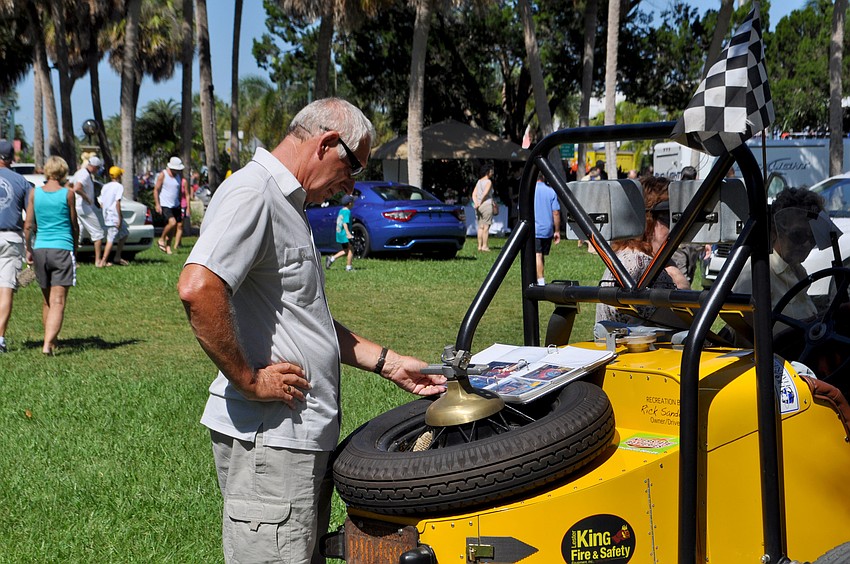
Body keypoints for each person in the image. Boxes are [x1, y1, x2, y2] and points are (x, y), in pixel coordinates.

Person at [176, 98, 446, 564]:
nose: (351, 187)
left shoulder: (287, 202)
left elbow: (303, 318)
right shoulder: (253, 193)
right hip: (271, 441)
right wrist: (249, 379)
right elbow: (198, 287)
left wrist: (389, 363)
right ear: (326, 144)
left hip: (295, 439)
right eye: (354, 169)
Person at [727, 187, 825, 345]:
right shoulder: (756, 273)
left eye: (812, 237)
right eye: (798, 235)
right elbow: (747, 338)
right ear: (774, 232)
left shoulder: (798, 273)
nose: (807, 244)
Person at [596, 175, 689, 324]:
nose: (675, 227)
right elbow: (686, 325)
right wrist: (678, 279)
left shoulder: (624, 255)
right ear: (646, 219)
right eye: (667, 216)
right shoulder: (642, 264)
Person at [23, 156, 78, 356]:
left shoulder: (34, 193)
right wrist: (75, 248)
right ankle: (47, 345)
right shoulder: (68, 194)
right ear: (63, 172)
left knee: (47, 301)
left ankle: (51, 341)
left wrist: (29, 248)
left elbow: (28, 225)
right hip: (62, 248)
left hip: (40, 249)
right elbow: (74, 225)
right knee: (58, 302)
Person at [0, 140, 32, 353]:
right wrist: (29, 247)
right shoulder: (22, 182)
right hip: (11, 237)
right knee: (6, 289)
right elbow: (30, 218)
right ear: (12, 158)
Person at [672, 165, 709, 286]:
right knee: (684, 277)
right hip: (690, 243)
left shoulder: (674, 191)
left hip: (682, 242)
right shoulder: (699, 193)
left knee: (686, 276)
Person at [71, 155, 104, 266]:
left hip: (77, 207)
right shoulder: (85, 175)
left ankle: (72, 260)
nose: (98, 170)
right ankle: (98, 261)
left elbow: (69, 185)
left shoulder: (79, 173)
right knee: (98, 233)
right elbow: (77, 188)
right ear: (94, 167)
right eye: (98, 168)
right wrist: (87, 198)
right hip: (84, 208)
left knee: (77, 234)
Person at [154, 156, 189, 255]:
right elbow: (156, 190)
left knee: (173, 228)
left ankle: (168, 247)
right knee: (172, 222)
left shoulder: (178, 177)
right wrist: (157, 204)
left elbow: (179, 192)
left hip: (175, 205)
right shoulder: (163, 175)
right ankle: (161, 239)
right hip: (165, 204)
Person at [98, 166, 129, 267]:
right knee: (110, 238)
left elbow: (101, 202)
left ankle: (117, 256)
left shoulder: (105, 186)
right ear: (119, 175)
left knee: (124, 233)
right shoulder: (119, 186)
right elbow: (117, 202)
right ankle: (103, 261)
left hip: (107, 215)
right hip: (114, 216)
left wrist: (106, 211)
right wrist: (119, 218)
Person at [534, 176, 561, 285]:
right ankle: (539, 277)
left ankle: (540, 280)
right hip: (547, 229)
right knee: (541, 255)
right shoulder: (551, 191)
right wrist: (557, 230)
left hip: (534, 228)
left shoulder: (529, 190)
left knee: (537, 255)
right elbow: (556, 212)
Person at [325, 194, 355, 271]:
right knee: (351, 249)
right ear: (350, 203)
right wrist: (348, 233)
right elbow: (345, 223)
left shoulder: (341, 210)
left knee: (346, 250)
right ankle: (349, 267)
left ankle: (331, 259)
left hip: (340, 233)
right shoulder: (347, 211)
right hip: (345, 233)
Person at [472, 165, 495, 252]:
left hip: (478, 206)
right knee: (486, 226)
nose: (492, 173)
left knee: (480, 226)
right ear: (487, 172)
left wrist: (476, 203)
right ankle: (484, 246)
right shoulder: (488, 182)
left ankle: (479, 246)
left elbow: (474, 194)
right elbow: (485, 194)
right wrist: (480, 202)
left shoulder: (479, 181)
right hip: (486, 205)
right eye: (491, 171)